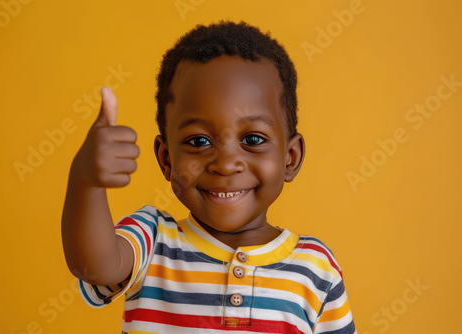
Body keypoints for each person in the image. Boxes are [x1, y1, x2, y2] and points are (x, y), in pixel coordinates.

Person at [62, 20, 357, 333]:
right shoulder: (152, 241)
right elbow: (94, 266)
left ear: (291, 157)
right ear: (166, 159)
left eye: (253, 139)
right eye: (199, 141)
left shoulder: (316, 269)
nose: (226, 164)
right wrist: (86, 183)